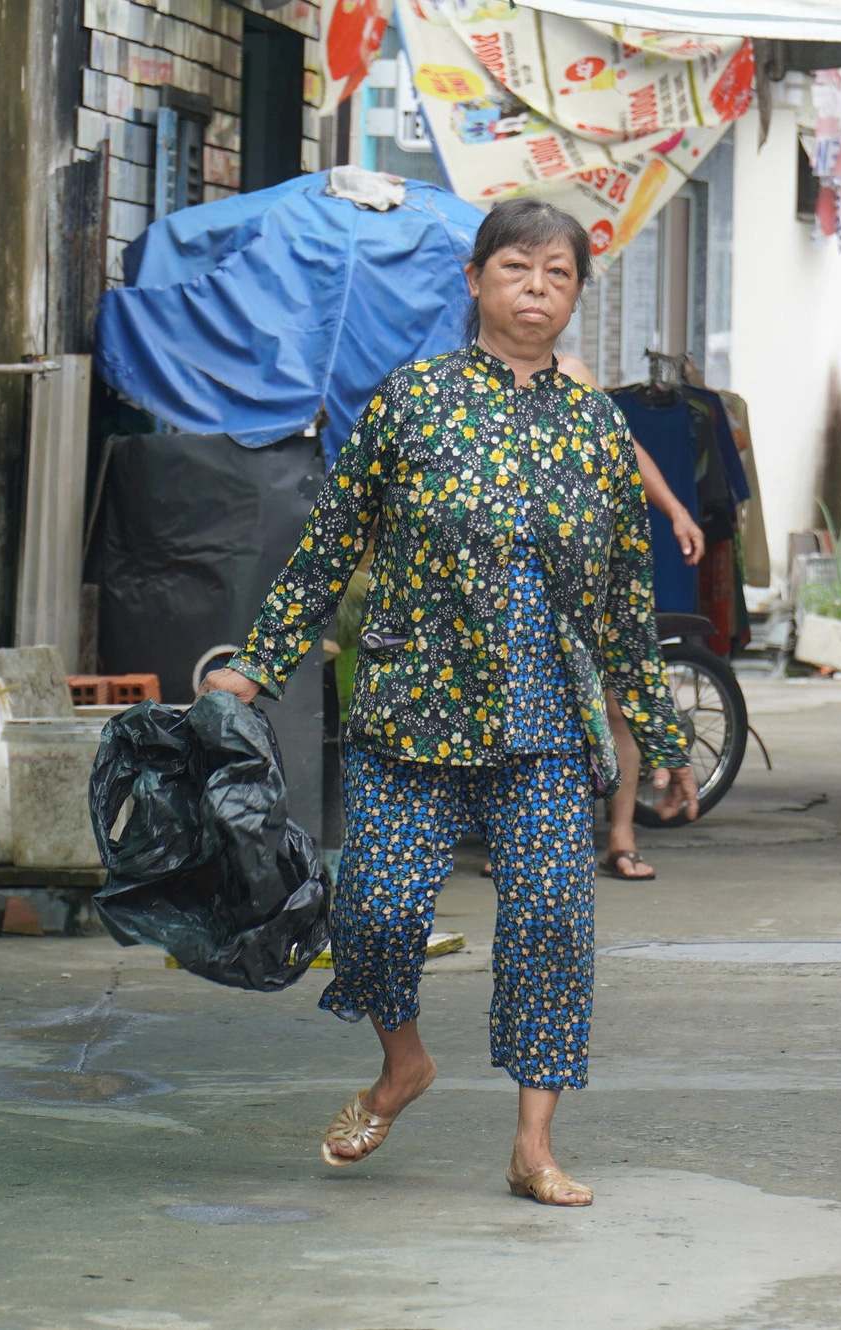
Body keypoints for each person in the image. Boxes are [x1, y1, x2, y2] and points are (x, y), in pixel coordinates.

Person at [200, 198, 699, 1206]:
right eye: (516, 268)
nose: (536, 289)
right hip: (412, 711)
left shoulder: (598, 429)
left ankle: (533, 1143)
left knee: (552, 923)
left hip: (548, 723)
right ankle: (403, 1064)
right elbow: (330, 543)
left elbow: (621, 602)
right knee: (376, 915)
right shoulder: (410, 402)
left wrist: (661, 729)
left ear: (575, 299)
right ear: (474, 281)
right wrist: (257, 663)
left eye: (558, 275)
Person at [560, 353, 705, 882]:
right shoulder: (443, 387)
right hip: (511, 582)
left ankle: (620, 835)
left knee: (618, 707)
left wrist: (676, 510)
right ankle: (530, 838)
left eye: (556, 272)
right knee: (537, 707)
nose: (536, 289)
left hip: (592, 566)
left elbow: (625, 450)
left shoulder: (571, 374)